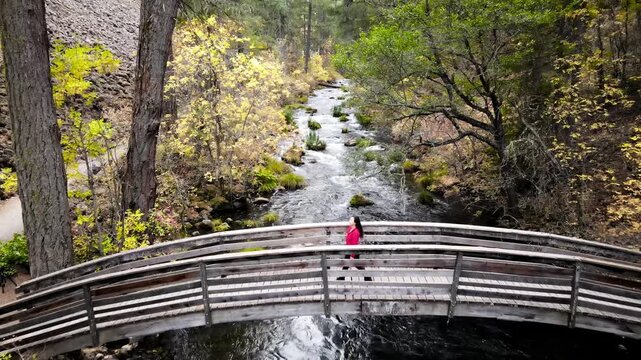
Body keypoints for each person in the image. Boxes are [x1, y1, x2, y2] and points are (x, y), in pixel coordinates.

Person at [337, 216, 372, 281]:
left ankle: (367, 276)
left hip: (353, 252)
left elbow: (354, 245)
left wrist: (352, 255)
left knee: (357, 265)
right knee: (346, 264)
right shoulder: (350, 228)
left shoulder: (356, 232)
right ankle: (342, 277)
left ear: (355, 223)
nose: (349, 220)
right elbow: (348, 235)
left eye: (351, 220)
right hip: (348, 250)